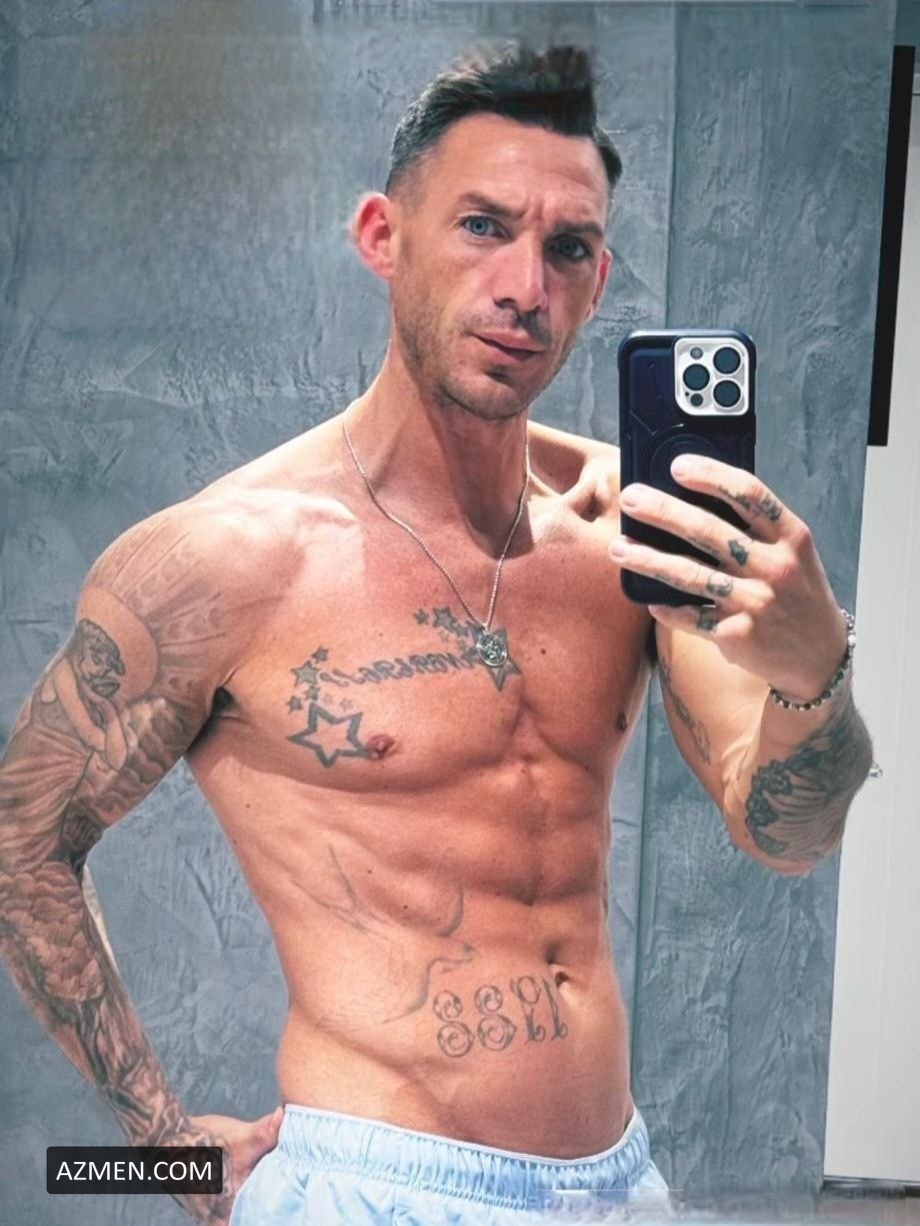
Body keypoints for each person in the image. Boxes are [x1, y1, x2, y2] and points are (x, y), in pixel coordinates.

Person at [0, 39, 875, 1226]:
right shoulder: (228, 558)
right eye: (481, 227)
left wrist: (815, 669)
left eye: (567, 248)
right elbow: (21, 839)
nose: (525, 286)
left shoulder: (634, 531)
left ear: (597, 281)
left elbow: (787, 833)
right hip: (374, 1185)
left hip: (619, 1182)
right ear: (383, 236)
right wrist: (156, 1153)